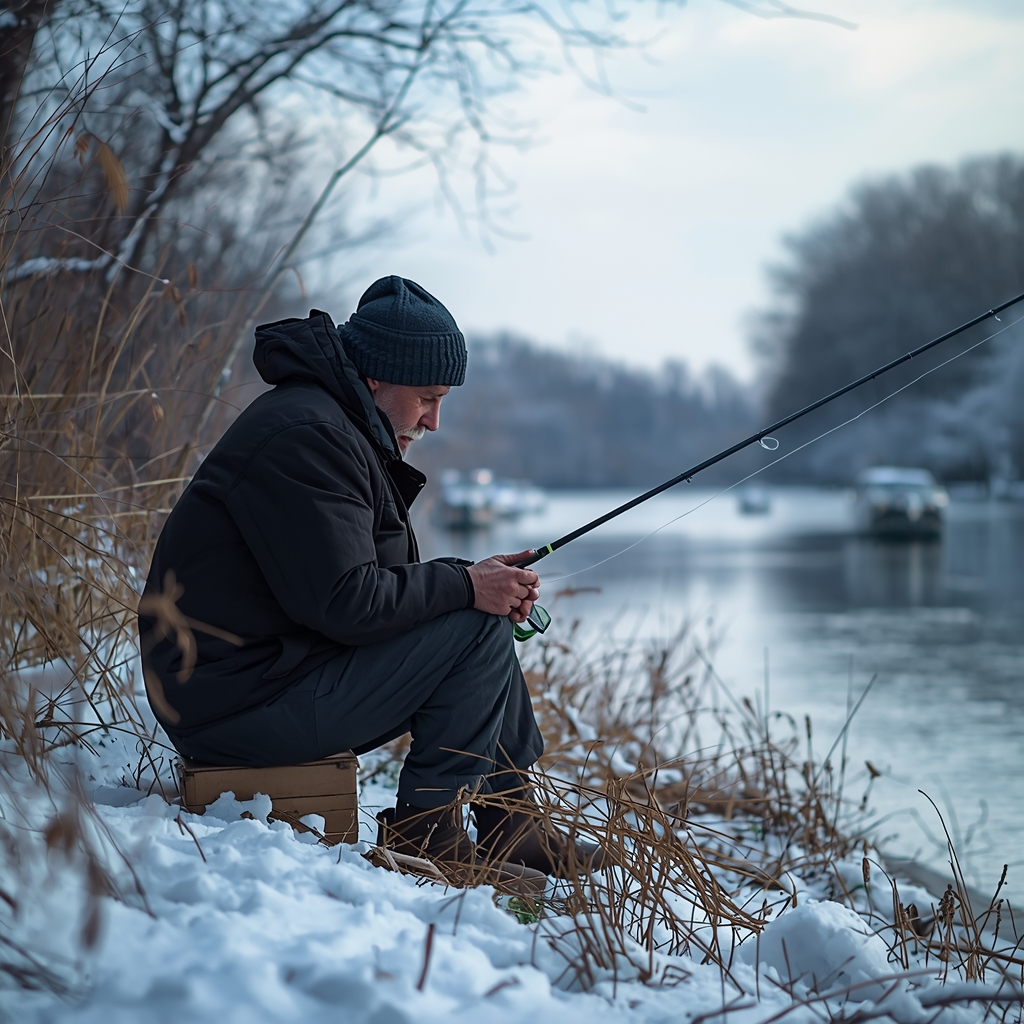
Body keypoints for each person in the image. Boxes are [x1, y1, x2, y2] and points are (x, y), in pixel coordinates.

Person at [139, 275, 597, 877]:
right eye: (428, 397)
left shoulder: (335, 427)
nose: (434, 421)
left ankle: (510, 823)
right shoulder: (309, 437)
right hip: (233, 704)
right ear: (377, 376)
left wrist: (472, 579)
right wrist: (465, 586)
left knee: (475, 615)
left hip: (267, 676)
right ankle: (425, 833)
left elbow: (369, 585)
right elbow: (348, 603)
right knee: (476, 624)